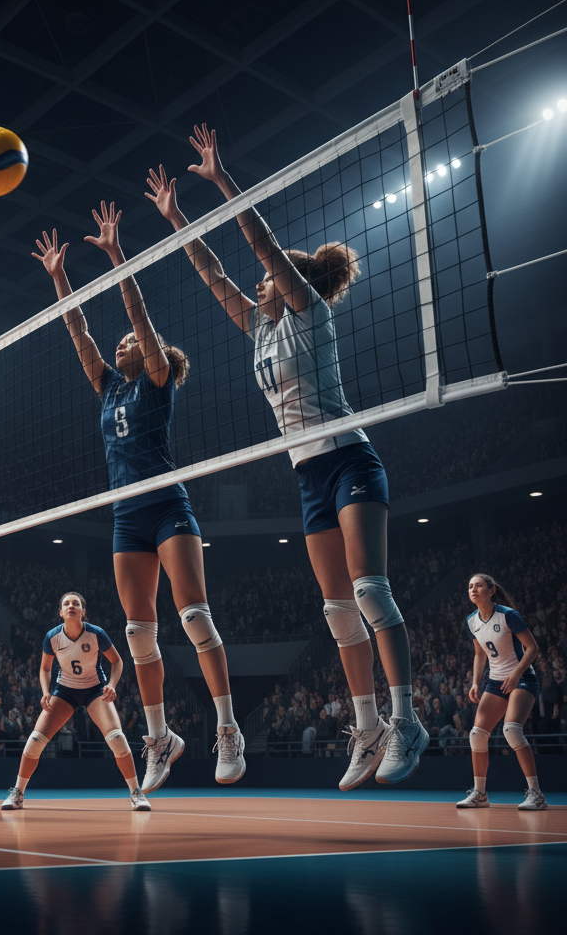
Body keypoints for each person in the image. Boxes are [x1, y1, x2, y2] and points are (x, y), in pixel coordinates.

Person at [147, 125, 428, 789]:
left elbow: (260, 243)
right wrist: (177, 216)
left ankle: (407, 717)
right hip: (307, 475)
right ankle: (368, 727)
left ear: (288, 281)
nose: (258, 282)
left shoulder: (306, 311)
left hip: (350, 460)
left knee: (369, 589)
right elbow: (212, 271)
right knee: (335, 609)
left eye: (270, 277)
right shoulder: (258, 330)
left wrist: (220, 180)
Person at [33, 203, 242, 793]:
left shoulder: (156, 380)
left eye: (131, 342)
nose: (122, 343)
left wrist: (118, 255)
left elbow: (138, 316)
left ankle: (228, 728)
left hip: (167, 505)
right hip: (126, 514)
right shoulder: (105, 389)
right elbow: (79, 331)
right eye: (120, 343)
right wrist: (59, 277)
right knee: (138, 633)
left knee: (195, 615)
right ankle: (159, 738)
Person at [2, 592, 150, 811]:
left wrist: (112, 685)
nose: (71, 606)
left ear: (83, 611)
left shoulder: (96, 633)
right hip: (65, 691)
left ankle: (137, 793)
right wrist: (46, 691)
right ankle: (18, 793)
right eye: (66, 603)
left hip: (95, 690)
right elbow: (44, 668)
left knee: (117, 738)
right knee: (35, 740)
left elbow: (117, 662)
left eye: (76, 603)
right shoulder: (52, 637)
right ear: (61, 612)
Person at [456, 573, 547, 810]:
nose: (473, 589)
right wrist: (475, 683)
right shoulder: (471, 621)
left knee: (512, 730)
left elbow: (532, 648)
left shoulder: (508, 615)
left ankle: (536, 794)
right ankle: (480, 794)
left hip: (523, 677)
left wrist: (516, 674)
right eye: (470, 587)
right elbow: (479, 654)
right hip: (495, 682)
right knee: (476, 734)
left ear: (491, 590)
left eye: (478, 586)